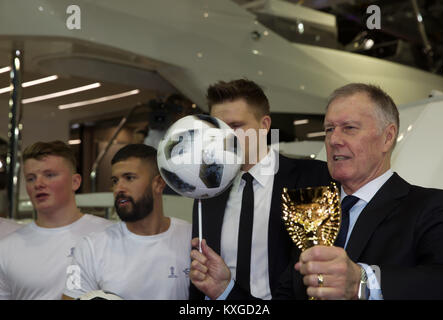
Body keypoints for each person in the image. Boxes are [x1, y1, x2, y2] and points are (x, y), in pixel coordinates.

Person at [190, 83, 443, 300]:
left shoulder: (431, 207)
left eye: (349, 128)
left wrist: (364, 282)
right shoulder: (311, 216)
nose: (334, 140)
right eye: (329, 129)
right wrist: (225, 290)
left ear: (387, 137)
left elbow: (442, 280)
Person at [189, 79, 332, 300]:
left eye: (235, 126)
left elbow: (309, 278)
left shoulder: (311, 178)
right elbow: (201, 277)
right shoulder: (209, 190)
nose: (225, 138)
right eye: (218, 128)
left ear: (264, 125)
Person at [62, 144, 192, 300]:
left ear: (158, 183)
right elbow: (69, 297)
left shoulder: (192, 237)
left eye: (129, 178)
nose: (118, 188)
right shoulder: (89, 247)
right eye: (115, 180)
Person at [0, 141, 113, 300]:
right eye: (31, 178)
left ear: (75, 182)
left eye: (49, 175)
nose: (38, 184)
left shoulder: (109, 235)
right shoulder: (6, 248)